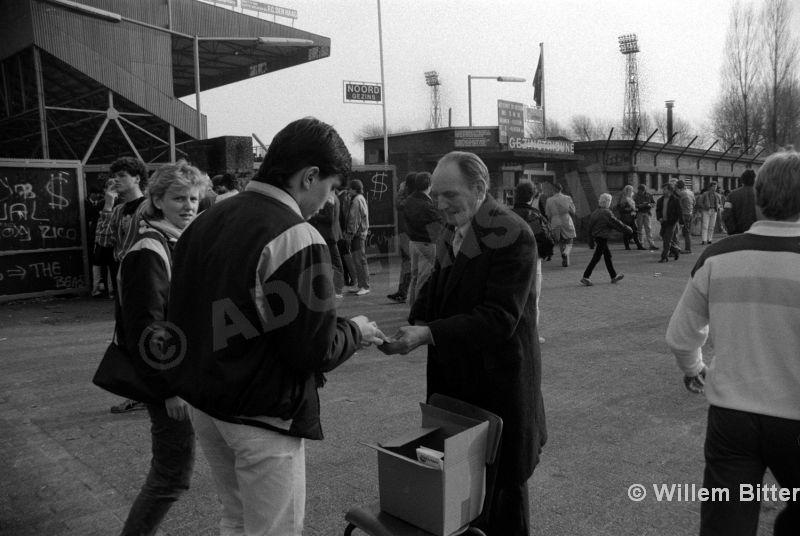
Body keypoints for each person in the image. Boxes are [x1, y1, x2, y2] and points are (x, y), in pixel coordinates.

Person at [166, 117, 385, 535]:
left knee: (236, 521)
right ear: (310, 176)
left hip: (207, 405)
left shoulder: (205, 220)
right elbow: (312, 348)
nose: (329, 200)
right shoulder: (297, 236)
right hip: (261, 416)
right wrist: (354, 331)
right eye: (332, 188)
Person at [383, 151, 547, 536]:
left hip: (498, 390)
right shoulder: (454, 231)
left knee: (503, 503)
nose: (439, 205)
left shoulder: (513, 234)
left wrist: (429, 333)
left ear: (479, 188)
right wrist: (407, 325)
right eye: (436, 195)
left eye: (449, 195)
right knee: (462, 497)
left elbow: (499, 318)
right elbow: (433, 293)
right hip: (457, 388)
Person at [666, 150, 800, 536]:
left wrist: (694, 369)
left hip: (732, 418)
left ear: (758, 198)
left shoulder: (718, 256)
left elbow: (680, 336)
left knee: (727, 520)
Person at [115, 160, 209, 535]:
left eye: (194, 198)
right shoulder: (150, 249)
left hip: (185, 374)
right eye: (178, 198)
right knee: (170, 477)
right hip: (170, 382)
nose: (188, 206)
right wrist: (169, 388)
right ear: (155, 200)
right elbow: (147, 328)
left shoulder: (174, 240)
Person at [95, 156, 149, 414]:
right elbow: (104, 241)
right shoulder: (117, 210)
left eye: (122, 175)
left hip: (144, 275)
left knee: (146, 332)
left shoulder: (150, 206)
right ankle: (136, 391)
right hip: (123, 276)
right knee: (127, 332)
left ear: (137, 177)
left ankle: (152, 389)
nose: (116, 179)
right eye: (114, 175)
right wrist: (108, 203)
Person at [512, 181, 552, 343]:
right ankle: (530, 335)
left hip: (509, 260)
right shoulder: (533, 215)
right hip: (531, 259)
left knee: (511, 297)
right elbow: (545, 240)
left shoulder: (507, 215)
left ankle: (511, 331)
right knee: (533, 298)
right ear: (533, 196)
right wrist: (545, 253)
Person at [404, 171, 442, 306]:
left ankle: (413, 306)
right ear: (430, 184)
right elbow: (439, 223)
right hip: (426, 243)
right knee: (424, 278)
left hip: (412, 242)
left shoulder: (409, 200)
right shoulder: (426, 204)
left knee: (415, 276)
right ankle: (419, 309)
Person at [580, 193, 631, 286]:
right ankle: (586, 276)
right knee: (597, 257)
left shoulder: (595, 212)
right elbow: (615, 223)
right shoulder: (606, 212)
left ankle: (613, 276)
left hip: (597, 237)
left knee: (607, 256)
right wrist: (627, 228)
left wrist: (590, 240)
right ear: (608, 202)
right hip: (602, 237)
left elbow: (590, 227)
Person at [309, 190, 345, 298]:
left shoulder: (329, 200)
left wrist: (315, 215)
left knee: (335, 262)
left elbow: (329, 219)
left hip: (328, 235)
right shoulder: (334, 198)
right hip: (330, 234)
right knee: (333, 262)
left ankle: (337, 290)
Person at [387, 173, 415, 303]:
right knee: (409, 264)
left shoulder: (409, 198)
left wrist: (401, 190)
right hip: (410, 235)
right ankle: (402, 292)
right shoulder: (417, 197)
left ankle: (403, 293)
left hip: (408, 235)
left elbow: (398, 204)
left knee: (407, 263)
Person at [345, 178, 371, 295]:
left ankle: (365, 286)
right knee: (359, 259)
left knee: (360, 260)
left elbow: (354, 219)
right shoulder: (360, 198)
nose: (348, 191)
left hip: (357, 234)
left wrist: (350, 233)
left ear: (355, 189)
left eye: (350, 189)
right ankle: (361, 285)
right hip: (360, 233)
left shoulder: (356, 200)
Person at [545, 182, 576, 266]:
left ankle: (565, 261)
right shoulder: (567, 198)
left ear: (553, 189)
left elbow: (548, 214)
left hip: (555, 221)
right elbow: (573, 211)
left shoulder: (549, 200)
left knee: (561, 241)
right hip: (566, 220)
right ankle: (566, 253)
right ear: (561, 189)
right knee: (569, 240)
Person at [722, 169, 759, 234]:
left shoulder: (731, 195)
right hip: (757, 232)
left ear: (742, 180)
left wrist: (732, 231)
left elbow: (726, 214)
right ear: (755, 180)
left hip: (738, 233)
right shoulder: (762, 194)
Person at [656, 182, 683, 263]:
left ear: (670, 190)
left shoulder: (675, 200)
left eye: (665, 189)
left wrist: (681, 222)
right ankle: (675, 249)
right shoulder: (660, 200)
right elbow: (658, 210)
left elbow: (679, 212)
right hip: (663, 222)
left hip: (672, 222)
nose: (663, 191)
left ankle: (664, 257)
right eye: (663, 189)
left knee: (667, 240)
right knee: (662, 236)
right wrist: (659, 217)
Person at [616, 185, 645, 250]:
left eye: (631, 190)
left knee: (634, 231)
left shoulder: (630, 198)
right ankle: (629, 246)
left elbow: (632, 207)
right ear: (627, 191)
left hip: (631, 217)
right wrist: (631, 210)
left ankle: (638, 246)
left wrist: (635, 209)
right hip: (626, 218)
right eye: (630, 190)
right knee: (628, 231)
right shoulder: (623, 198)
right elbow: (621, 209)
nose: (632, 191)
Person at [633, 183, 658, 250]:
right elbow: (633, 205)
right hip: (639, 213)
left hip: (647, 212)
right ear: (638, 190)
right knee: (640, 229)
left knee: (648, 228)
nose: (641, 192)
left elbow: (654, 203)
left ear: (645, 190)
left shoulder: (649, 195)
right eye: (640, 191)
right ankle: (640, 244)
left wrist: (650, 205)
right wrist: (639, 206)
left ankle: (651, 244)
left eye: (643, 191)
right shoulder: (635, 196)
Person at [675, 180, 695, 253]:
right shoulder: (691, 192)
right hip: (690, 212)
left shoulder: (681, 193)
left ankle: (687, 249)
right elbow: (694, 202)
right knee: (687, 231)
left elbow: (678, 204)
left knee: (683, 232)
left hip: (684, 213)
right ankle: (688, 248)